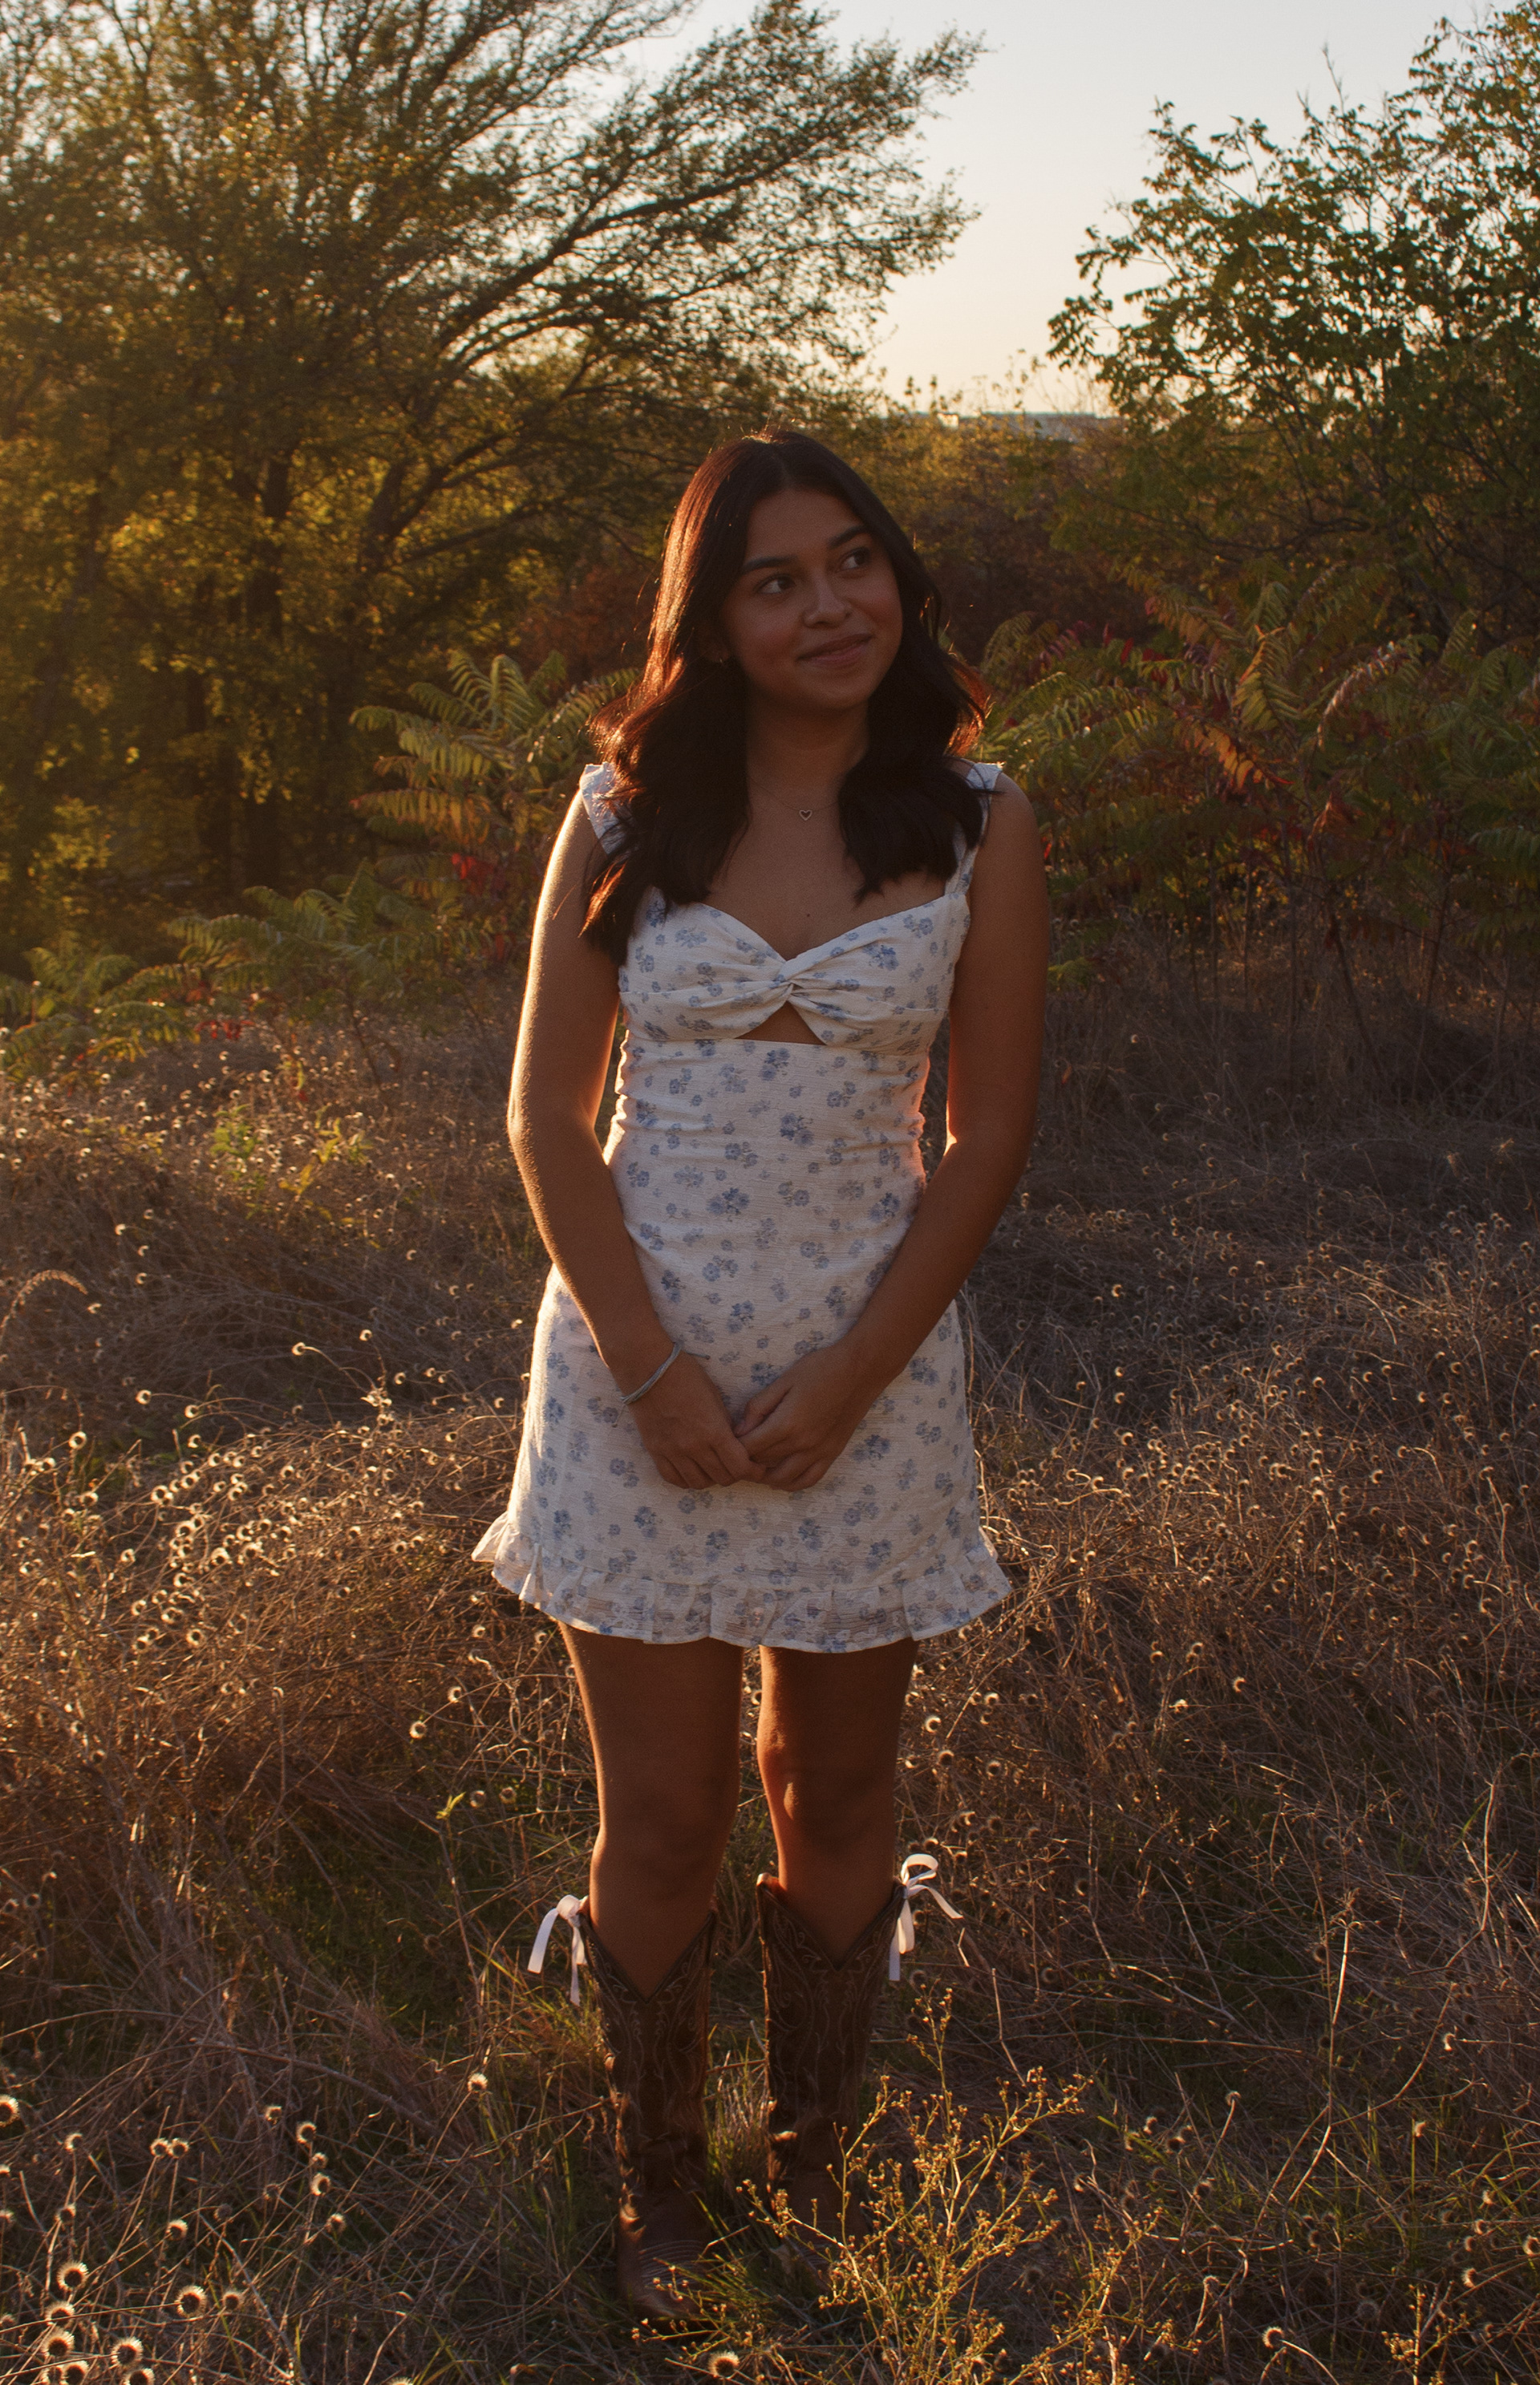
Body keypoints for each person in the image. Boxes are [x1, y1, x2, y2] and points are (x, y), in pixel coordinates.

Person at [475, 428, 1049, 2315]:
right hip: (635, 1380)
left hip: (866, 1383)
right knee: (663, 1817)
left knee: (842, 1789)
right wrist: (654, 1376)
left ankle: (818, 2181)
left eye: (856, 559)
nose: (832, 603)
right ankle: (659, 2200)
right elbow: (549, 1127)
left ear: (903, 578)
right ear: (711, 621)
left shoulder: (978, 817)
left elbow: (982, 1140)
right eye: (777, 577)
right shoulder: (626, 816)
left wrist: (854, 1378)